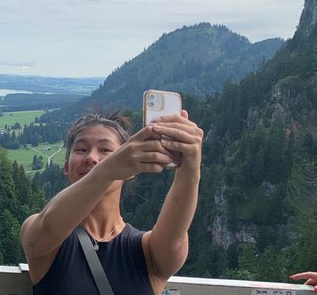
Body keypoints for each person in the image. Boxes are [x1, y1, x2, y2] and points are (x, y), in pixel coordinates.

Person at [21, 109, 203, 295]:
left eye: (105, 150)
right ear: (67, 166)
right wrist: (107, 169)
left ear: (130, 168)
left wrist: (190, 169)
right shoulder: (45, 237)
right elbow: (49, 225)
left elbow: (174, 239)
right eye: (81, 149)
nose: (91, 157)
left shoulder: (148, 253)